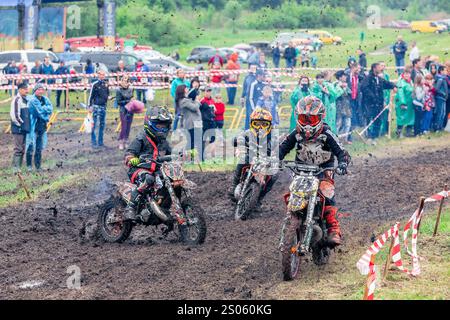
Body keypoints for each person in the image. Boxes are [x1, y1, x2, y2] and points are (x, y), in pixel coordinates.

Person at [279, 96, 350, 246]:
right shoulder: (296, 133)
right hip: (301, 170)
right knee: (294, 192)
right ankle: (292, 219)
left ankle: (333, 229)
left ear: (320, 118)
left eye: (311, 120)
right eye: (304, 119)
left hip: (323, 169)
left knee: (327, 192)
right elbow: (282, 148)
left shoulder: (326, 133)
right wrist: (275, 159)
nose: (307, 124)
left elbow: (341, 151)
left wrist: (343, 163)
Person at [123, 106, 173, 221]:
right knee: (148, 179)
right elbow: (129, 153)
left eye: (164, 126)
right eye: (159, 126)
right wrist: (131, 159)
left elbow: (172, 155)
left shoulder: (163, 142)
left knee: (172, 179)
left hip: (156, 171)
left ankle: (166, 205)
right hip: (138, 170)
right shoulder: (141, 138)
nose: (161, 129)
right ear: (149, 123)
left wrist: (185, 154)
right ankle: (131, 207)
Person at [229, 108, 276, 202]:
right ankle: (234, 185)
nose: (260, 127)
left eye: (264, 124)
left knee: (273, 176)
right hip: (251, 156)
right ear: (252, 124)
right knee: (243, 160)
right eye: (257, 124)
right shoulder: (248, 132)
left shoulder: (273, 136)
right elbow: (237, 138)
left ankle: (261, 197)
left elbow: (278, 146)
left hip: (265, 160)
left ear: (269, 125)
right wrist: (239, 141)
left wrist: (274, 152)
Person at [360, 63, 396, 140]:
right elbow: (363, 88)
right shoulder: (368, 78)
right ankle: (369, 136)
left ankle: (375, 137)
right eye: (379, 67)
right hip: (369, 104)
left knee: (378, 120)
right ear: (374, 68)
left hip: (378, 104)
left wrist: (394, 86)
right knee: (369, 120)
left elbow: (387, 84)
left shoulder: (379, 79)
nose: (381, 69)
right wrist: (372, 96)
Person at [26, 83, 53, 171]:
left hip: (41, 126)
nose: (41, 91)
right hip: (32, 125)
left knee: (39, 147)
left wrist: (45, 110)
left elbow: (51, 109)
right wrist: (46, 116)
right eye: (39, 89)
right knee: (30, 145)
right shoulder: (32, 100)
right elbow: (39, 112)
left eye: (42, 89)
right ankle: (29, 166)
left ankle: (38, 166)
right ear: (35, 90)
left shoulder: (45, 99)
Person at [176, 85, 202, 155]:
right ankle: (188, 156)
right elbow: (194, 107)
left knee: (195, 140)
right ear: (182, 90)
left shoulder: (186, 99)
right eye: (186, 88)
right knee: (192, 141)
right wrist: (197, 100)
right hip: (191, 123)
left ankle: (183, 153)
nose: (187, 89)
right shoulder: (183, 101)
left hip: (196, 122)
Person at [10, 82, 30, 172]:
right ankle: (15, 168)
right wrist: (21, 125)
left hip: (24, 128)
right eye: (25, 89)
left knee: (22, 148)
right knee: (18, 148)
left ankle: (19, 167)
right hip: (18, 128)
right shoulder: (17, 100)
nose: (27, 90)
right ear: (20, 89)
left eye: (27, 88)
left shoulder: (25, 99)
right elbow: (14, 115)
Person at [88, 70, 110, 148]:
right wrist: (89, 106)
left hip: (103, 106)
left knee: (102, 125)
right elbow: (91, 96)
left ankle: (100, 142)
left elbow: (107, 94)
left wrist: (108, 98)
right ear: (98, 75)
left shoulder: (106, 84)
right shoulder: (95, 85)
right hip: (96, 106)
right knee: (94, 124)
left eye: (103, 75)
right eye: (101, 74)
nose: (102, 76)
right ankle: (94, 142)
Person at [395, 66, 415, 137]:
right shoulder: (401, 82)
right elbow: (400, 94)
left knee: (410, 117)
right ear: (403, 74)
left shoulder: (410, 82)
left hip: (410, 103)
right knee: (401, 117)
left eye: (408, 73)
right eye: (405, 73)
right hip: (403, 103)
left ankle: (408, 132)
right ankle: (399, 132)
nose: (407, 75)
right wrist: (403, 103)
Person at [116, 76, 134, 150]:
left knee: (129, 126)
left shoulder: (131, 89)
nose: (125, 82)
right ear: (121, 81)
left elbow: (132, 97)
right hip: (123, 110)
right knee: (124, 126)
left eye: (127, 81)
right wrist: (128, 101)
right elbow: (118, 102)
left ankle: (126, 140)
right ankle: (121, 141)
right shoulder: (118, 90)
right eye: (124, 80)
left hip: (130, 110)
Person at [335, 71, 352, 144]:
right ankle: (335, 140)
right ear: (340, 77)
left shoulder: (346, 85)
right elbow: (336, 95)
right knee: (338, 123)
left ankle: (345, 139)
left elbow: (350, 93)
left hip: (347, 106)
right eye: (344, 76)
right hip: (339, 106)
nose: (346, 77)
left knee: (347, 124)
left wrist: (345, 88)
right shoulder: (335, 84)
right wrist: (341, 88)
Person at [432, 65, 448, 131]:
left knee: (443, 113)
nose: (446, 71)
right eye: (445, 70)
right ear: (441, 71)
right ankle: (437, 127)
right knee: (440, 112)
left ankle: (440, 126)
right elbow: (436, 89)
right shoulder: (440, 78)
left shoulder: (443, 78)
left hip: (443, 98)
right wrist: (443, 94)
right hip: (440, 98)